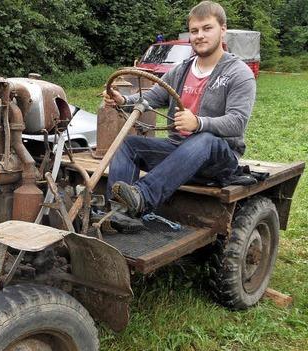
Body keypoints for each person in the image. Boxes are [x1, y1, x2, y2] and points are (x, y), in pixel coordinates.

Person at [104, 1, 256, 217]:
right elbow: (151, 97)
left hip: (218, 160)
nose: (200, 36)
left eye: (207, 28)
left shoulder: (239, 73)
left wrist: (199, 123)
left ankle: (142, 198)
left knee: (204, 138)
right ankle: (118, 214)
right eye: (194, 31)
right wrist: (123, 101)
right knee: (130, 145)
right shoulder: (181, 70)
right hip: (177, 152)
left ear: (223, 30)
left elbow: (237, 121)